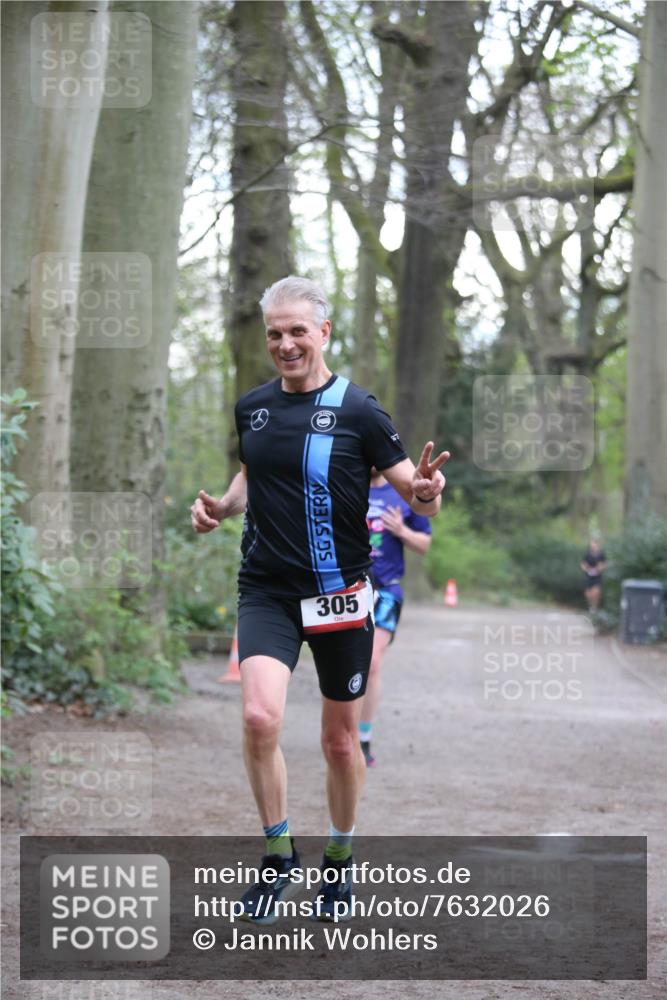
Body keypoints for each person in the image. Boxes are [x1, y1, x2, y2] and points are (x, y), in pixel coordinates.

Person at [190, 276, 448, 923]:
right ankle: (278, 860)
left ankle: (339, 863)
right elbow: (255, 468)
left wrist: (425, 490)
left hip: (339, 596)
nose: (284, 344)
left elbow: (413, 492)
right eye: (274, 333)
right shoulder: (252, 407)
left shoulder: (358, 409)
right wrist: (222, 507)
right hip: (268, 590)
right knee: (258, 718)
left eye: (297, 331)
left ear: (323, 332)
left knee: (339, 743)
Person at [359, 469, 433, 767]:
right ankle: (342, 732)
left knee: (372, 663)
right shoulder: (348, 482)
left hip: (387, 591)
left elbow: (424, 545)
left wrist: (402, 531)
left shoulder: (403, 491)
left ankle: (362, 738)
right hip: (348, 588)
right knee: (346, 664)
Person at [581, 538, 607, 611]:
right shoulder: (587, 554)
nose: (593, 545)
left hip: (597, 577)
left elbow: (604, 565)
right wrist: (585, 568)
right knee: (588, 594)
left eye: (595, 544)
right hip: (589, 576)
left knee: (596, 593)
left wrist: (600, 568)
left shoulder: (601, 554)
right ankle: (591, 607)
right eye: (592, 544)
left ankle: (594, 608)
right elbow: (583, 564)